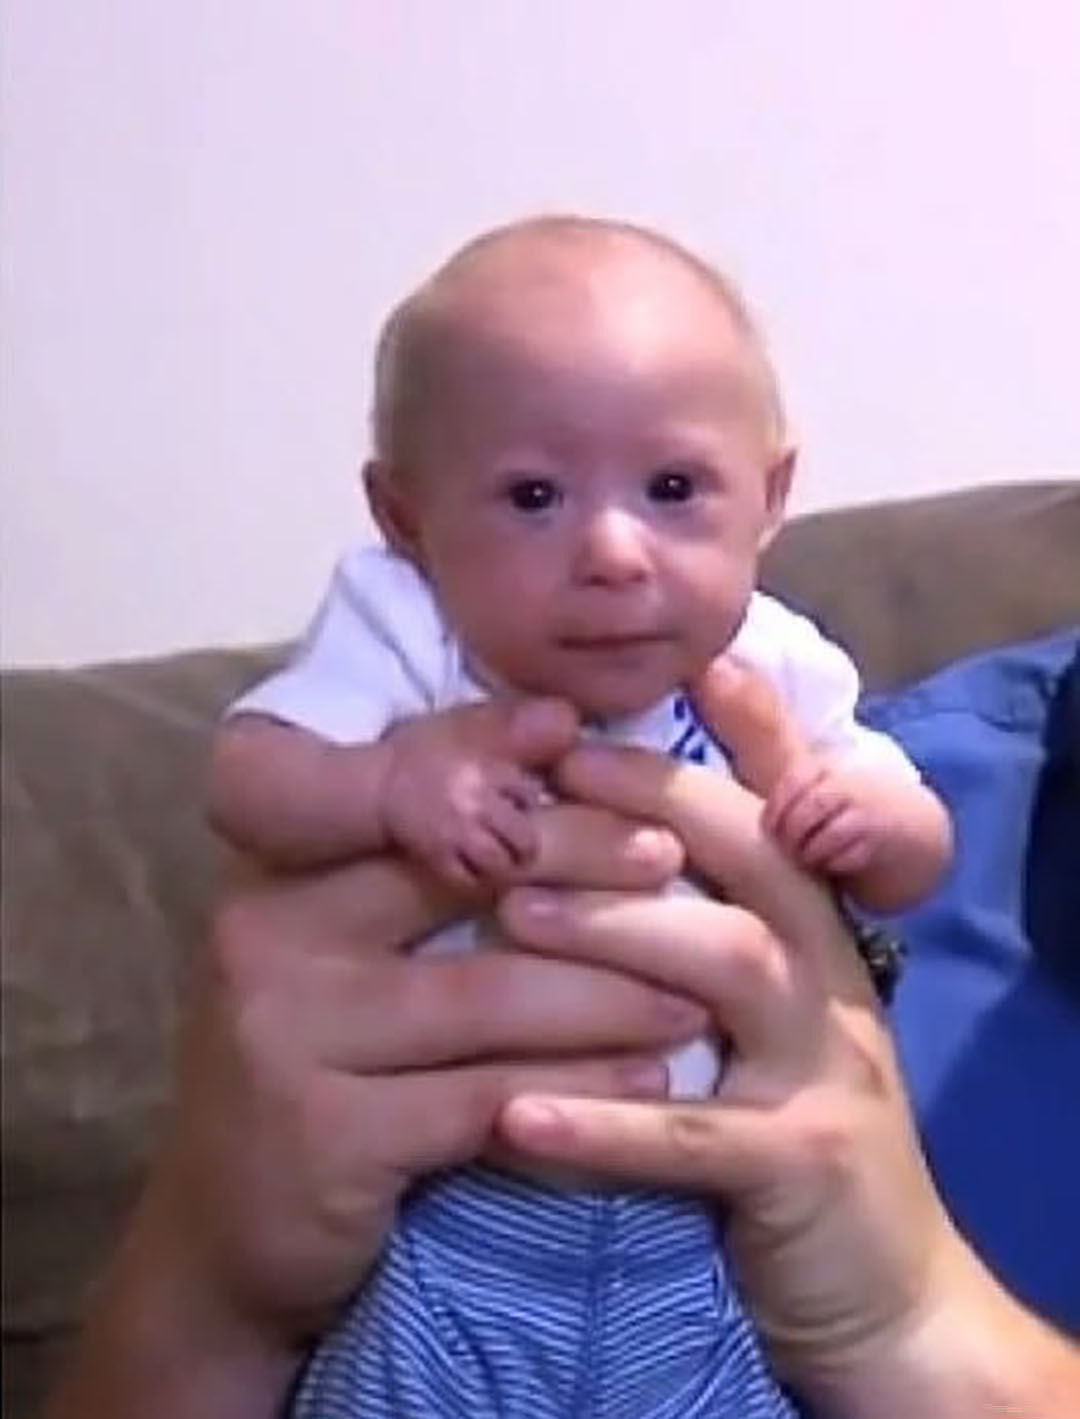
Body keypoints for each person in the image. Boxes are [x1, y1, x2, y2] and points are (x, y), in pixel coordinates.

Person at [205, 216, 952, 1414]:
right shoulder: (411, 637)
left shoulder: (773, 664)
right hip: (449, 1229)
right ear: (406, 519)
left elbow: (914, 850)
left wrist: (866, 816)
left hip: (712, 1244)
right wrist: (385, 784)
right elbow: (249, 776)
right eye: (534, 496)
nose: (612, 551)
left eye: (673, 489)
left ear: (769, 498)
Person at [44, 674, 1078, 1419]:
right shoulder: (813, 810)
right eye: (535, 495)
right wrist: (202, 1312)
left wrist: (921, 1332)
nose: (613, 550)